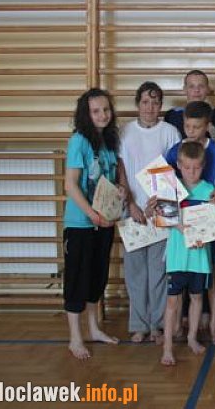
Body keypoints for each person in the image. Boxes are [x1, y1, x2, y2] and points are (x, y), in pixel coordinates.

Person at [165, 100, 215, 346]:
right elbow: (163, 184)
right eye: (187, 126)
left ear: (207, 126)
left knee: (212, 273)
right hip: (182, 222)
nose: (191, 131)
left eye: (196, 127)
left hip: (208, 219)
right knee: (181, 277)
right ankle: (175, 327)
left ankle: (213, 324)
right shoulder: (175, 150)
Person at [63, 88, 124, 360]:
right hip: (81, 224)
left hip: (104, 222)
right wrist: (90, 214)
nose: (103, 115)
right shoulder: (79, 141)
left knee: (96, 278)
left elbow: (109, 180)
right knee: (77, 279)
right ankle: (75, 337)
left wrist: (120, 190)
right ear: (86, 115)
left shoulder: (109, 141)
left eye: (106, 109)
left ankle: (94, 328)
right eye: (96, 111)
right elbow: (71, 185)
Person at [119, 81, 180, 343]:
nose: (150, 107)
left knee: (159, 270)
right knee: (135, 271)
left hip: (161, 208)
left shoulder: (170, 132)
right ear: (137, 104)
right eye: (145, 102)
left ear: (161, 105)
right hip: (132, 208)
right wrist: (130, 203)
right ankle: (139, 324)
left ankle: (157, 324)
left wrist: (159, 205)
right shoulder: (125, 131)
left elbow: (174, 170)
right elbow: (120, 168)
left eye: (155, 103)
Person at [155, 142, 213, 366]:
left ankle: (191, 338)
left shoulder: (209, 190)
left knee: (197, 297)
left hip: (199, 256)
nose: (192, 172)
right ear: (178, 165)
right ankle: (167, 347)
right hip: (177, 256)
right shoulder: (170, 188)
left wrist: (202, 234)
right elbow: (164, 219)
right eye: (187, 167)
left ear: (203, 166)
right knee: (172, 302)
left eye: (196, 167)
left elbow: (211, 224)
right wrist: (181, 227)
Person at [165, 69, 215, 146]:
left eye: (201, 86)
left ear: (208, 89)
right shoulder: (172, 115)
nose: (197, 90)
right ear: (185, 89)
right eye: (191, 86)